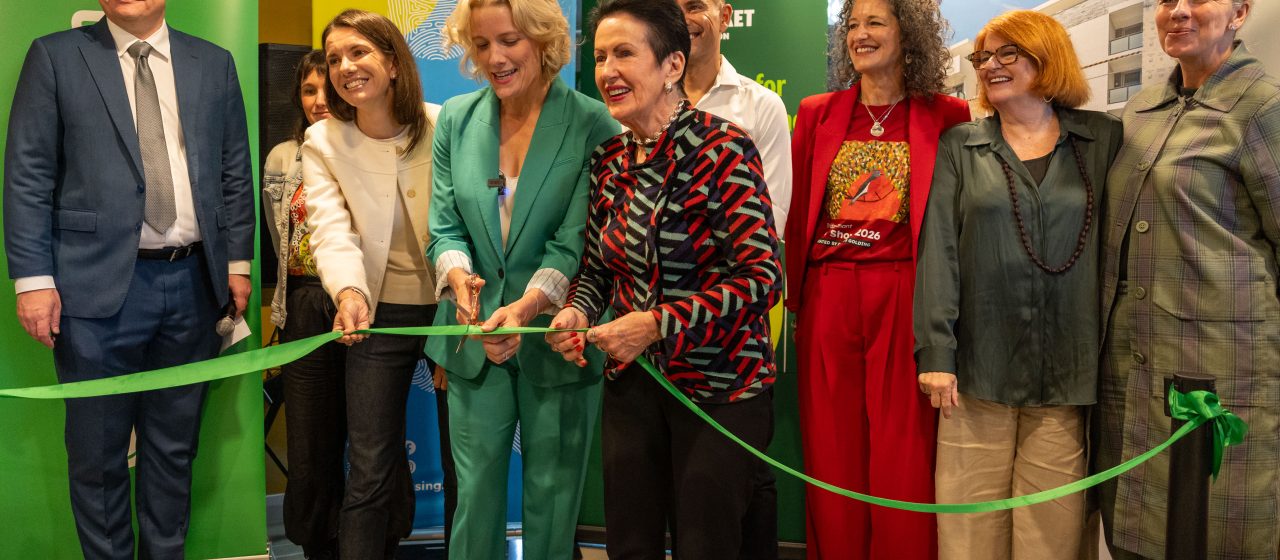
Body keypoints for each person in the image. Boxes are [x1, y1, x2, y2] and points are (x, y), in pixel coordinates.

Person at [3, 0, 253, 557]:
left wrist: (238, 263)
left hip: (194, 286)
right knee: (96, 456)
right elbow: (28, 174)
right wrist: (32, 280)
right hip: (90, 293)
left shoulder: (213, 62)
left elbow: (234, 167)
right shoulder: (55, 57)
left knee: (174, 450)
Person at [545, 0, 781, 557]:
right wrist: (577, 310)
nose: (607, 71)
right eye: (601, 56)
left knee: (707, 545)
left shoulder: (724, 150)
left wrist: (657, 324)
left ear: (672, 65)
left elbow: (761, 278)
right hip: (632, 386)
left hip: (722, 390)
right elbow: (599, 269)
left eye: (625, 53)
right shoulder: (609, 159)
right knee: (630, 544)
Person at [913, 11, 1122, 560]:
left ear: (1045, 56)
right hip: (975, 375)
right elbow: (940, 250)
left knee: (1051, 538)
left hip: (1068, 376)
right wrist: (937, 351)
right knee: (968, 528)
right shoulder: (961, 145)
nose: (991, 67)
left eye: (1009, 54)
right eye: (985, 57)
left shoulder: (1102, 139)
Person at [423, 1, 618, 558]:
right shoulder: (456, 118)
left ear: (542, 40)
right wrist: (460, 281)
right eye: (481, 45)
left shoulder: (593, 123)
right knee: (475, 498)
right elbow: (444, 226)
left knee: (552, 501)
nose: (495, 58)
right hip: (472, 337)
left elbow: (577, 239)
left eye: (509, 41)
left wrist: (528, 307)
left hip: (558, 336)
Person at [783, 0, 969, 558]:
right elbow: (797, 216)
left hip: (907, 292)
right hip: (828, 292)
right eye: (853, 26)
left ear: (908, 34)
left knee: (904, 454)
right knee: (831, 450)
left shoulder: (948, 114)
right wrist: (798, 301)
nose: (860, 35)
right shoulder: (817, 112)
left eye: (875, 23)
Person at [1095, 0, 1280, 557]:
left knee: (1211, 534)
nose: (1177, 12)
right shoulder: (1141, 109)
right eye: (1164, 2)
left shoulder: (1260, 109)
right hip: (1131, 364)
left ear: (1239, 12)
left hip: (1223, 372)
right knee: (1132, 529)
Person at [302, 9, 440, 560]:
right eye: (334, 58)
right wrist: (350, 294)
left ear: (393, 62)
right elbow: (330, 231)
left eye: (358, 52)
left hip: (453, 311)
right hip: (375, 315)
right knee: (369, 465)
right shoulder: (323, 141)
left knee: (464, 464)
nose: (344, 67)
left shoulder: (445, 124)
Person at [261, 49, 349, 559]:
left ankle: (368, 537)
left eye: (328, 90)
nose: (319, 101)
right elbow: (280, 241)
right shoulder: (280, 157)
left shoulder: (373, 146)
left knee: (366, 433)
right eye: (308, 91)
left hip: (365, 304)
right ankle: (317, 542)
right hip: (303, 303)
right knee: (311, 437)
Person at [676, 0, 792, 234]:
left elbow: (770, 219)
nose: (682, 20)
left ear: (725, 17)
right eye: (672, 10)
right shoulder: (643, 107)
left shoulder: (763, 106)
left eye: (695, 7)